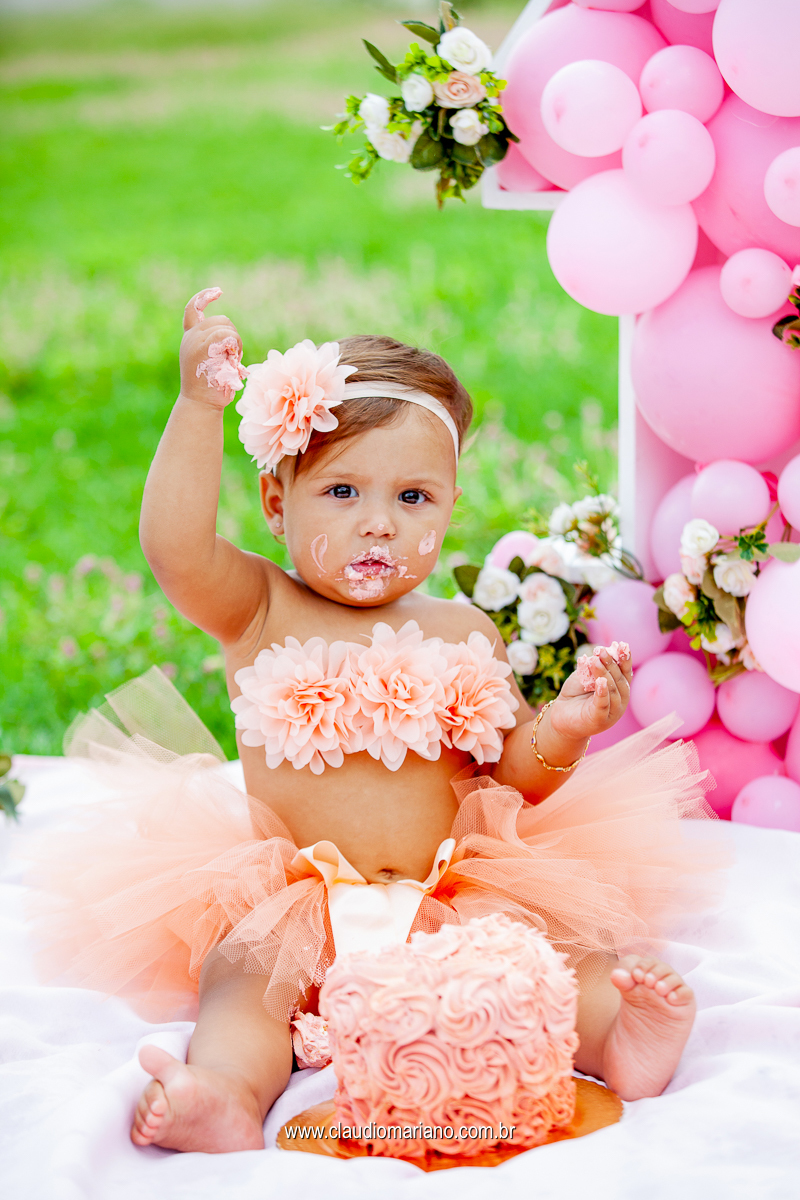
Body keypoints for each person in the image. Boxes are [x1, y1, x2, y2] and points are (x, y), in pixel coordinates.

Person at [26, 290, 724, 1155]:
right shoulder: (258, 607)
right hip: (303, 903)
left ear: (450, 505)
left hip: (451, 890)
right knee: (242, 985)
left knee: (546, 958)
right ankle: (229, 1094)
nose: (379, 523)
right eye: (343, 490)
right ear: (277, 503)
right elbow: (175, 549)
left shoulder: (464, 630)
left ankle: (618, 1039)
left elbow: (511, 775)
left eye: (414, 497)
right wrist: (198, 407)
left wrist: (568, 728)